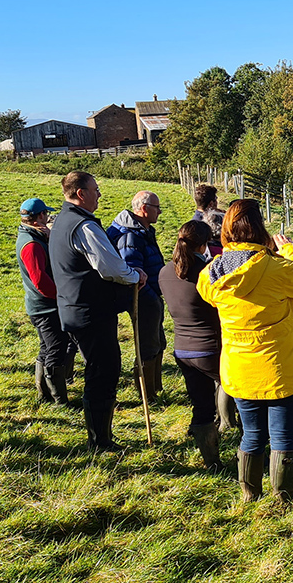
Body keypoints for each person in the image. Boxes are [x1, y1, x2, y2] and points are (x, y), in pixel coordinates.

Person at [197, 199, 293, 501]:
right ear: (260, 229)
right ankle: (282, 498)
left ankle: (249, 494)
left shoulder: (212, 274)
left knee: (250, 434)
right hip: (281, 368)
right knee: (282, 436)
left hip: (240, 368)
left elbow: (206, 293)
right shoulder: (276, 267)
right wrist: (289, 249)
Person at [49, 171, 146, 452]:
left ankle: (101, 437)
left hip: (72, 306)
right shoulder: (83, 225)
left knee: (98, 370)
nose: (99, 194)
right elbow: (110, 267)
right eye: (95, 189)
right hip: (90, 310)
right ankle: (100, 441)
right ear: (81, 193)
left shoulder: (61, 221)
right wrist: (133, 275)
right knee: (103, 372)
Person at [159, 220, 238, 470]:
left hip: (182, 348)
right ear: (204, 244)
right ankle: (250, 446)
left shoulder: (164, 273)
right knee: (236, 389)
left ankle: (211, 461)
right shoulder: (208, 272)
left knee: (201, 405)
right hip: (211, 346)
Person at [107, 191, 167, 401]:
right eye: (156, 207)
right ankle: (146, 393)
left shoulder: (142, 231)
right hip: (142, 298)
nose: (159, 211)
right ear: (143, 208)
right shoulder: (129, 235)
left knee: (158, 341)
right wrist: (152, 299)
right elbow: (133, 273)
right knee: (148, 345)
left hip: (151, 296)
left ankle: (156, 388)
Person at [16, 197, 70, 405]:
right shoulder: (31, 244)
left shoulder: (32, 237)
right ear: (40, 216)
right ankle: (59, 400)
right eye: (45, 214)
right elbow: (40, 280)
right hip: (45, 308)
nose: (47, 217)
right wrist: (62, 296)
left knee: (47, 348)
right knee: (56, 350)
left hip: (41, 305)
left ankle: (44, 396)